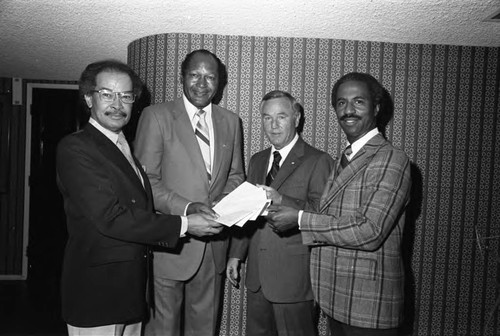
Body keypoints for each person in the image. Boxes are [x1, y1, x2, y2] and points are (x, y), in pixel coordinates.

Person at [56, 60, 223, 336]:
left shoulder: (124, 148)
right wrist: (184, 224)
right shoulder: (76, 147)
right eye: (107, 94)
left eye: (126, 96)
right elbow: (111, 218)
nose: (117, 104)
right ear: (88, 98)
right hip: (97, 294)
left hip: (131, 293)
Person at [266, 72, 412, 336]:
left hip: (369, 306)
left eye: (358, 102)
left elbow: (370, 231)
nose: (348, 110)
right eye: (341, 103)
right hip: (335, 299)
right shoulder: (342, 159)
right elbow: (329, 217)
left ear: (376, 108)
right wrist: (283, 206)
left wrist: (298, 219)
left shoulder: (393, 159)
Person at [134, 49, 245, 336]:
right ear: (182, 77)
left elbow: (236, 176)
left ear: (219, 83)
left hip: (213, 249)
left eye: (210, 77)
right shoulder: (156, 116)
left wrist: (224, 202)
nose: (201, 83)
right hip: (170, 246)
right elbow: (146, 182)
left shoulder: (231, 121)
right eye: (194, 74)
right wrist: (189, 208)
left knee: (204, 330)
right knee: (163, 330)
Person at [226, 90, 334, 336]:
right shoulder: (257, 160)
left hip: (294, 279)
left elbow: (322, 217)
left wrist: (282, 199)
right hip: (257, 279)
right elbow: (247, 214)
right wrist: (236, 255)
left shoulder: (318, 160)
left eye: (281, 117)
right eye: (267, 118)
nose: (273, 126)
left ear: (296, 118)